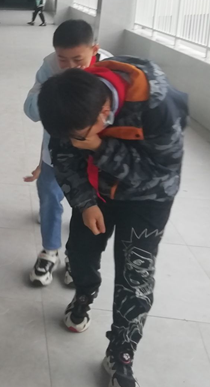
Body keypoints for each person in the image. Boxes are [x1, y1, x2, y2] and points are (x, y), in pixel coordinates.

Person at [38, 57, 188, 387]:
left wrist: (99, 147)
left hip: (150, 197)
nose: (74, 140)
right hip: (97, 190)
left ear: (104, 112)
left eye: (79, 135)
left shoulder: (157, 105)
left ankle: (121, 354)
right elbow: (63, 157)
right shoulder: (70, 106)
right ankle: (84, 294)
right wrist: (85, 202)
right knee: (80, 253)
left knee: (135, 276)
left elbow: (160, 171)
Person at [23, 20, 112, 287]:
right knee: (49, 197)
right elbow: (30, 110)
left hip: (94, 155)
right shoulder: (50, 65)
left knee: (86, 205)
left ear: (94, 49)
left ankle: (76, 256)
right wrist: (56, 90)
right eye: (63, 59)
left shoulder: (110, 69)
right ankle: (50, 251)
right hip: (57, 153)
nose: (70, 66)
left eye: (78, 60)